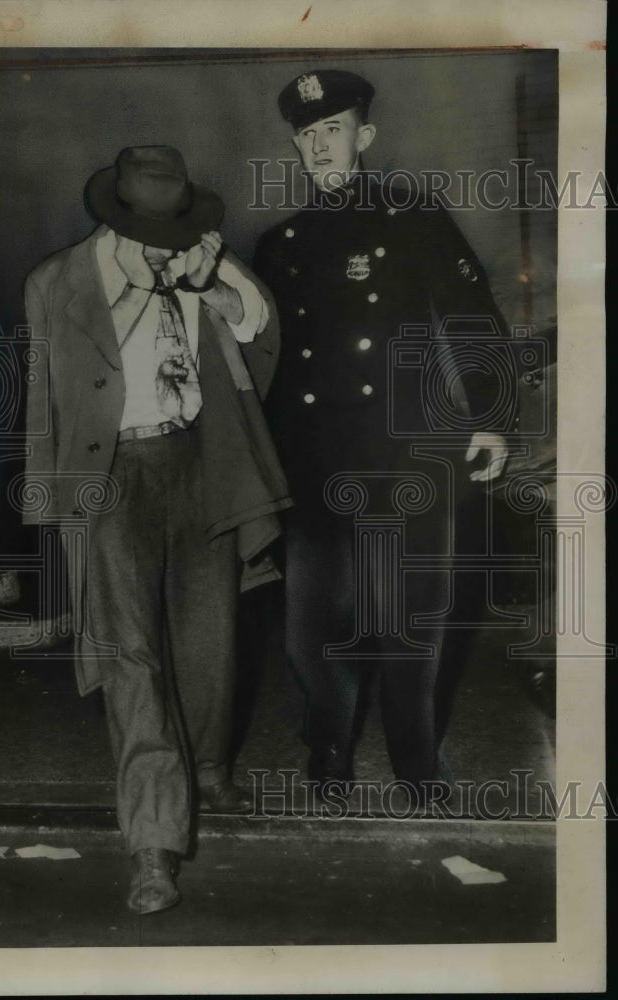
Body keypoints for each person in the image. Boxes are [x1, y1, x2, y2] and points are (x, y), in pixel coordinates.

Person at [23, 145, 291, 914]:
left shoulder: (200, 264)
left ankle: (207, 770)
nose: (163, 248)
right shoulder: (58, 282)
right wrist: (55, 514)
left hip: (198, 464)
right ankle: (153, 847)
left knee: (209, 639)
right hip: (111, 481)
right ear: (113, 217)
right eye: (149, 233)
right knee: (131, 658)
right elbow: (45, 401)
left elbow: (263, 330)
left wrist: (216, 286)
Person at [253, 69, 512, 797]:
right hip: (311, 456)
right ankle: (328, 752)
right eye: (306, 135)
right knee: (312, 629)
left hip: (406, 450)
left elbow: (471, 319)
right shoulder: (282, 244)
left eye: (332, 130)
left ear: (363, 137)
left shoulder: (413, 219)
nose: (319, 146)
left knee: (410, 622)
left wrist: (490, 420)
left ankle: (417, 763)